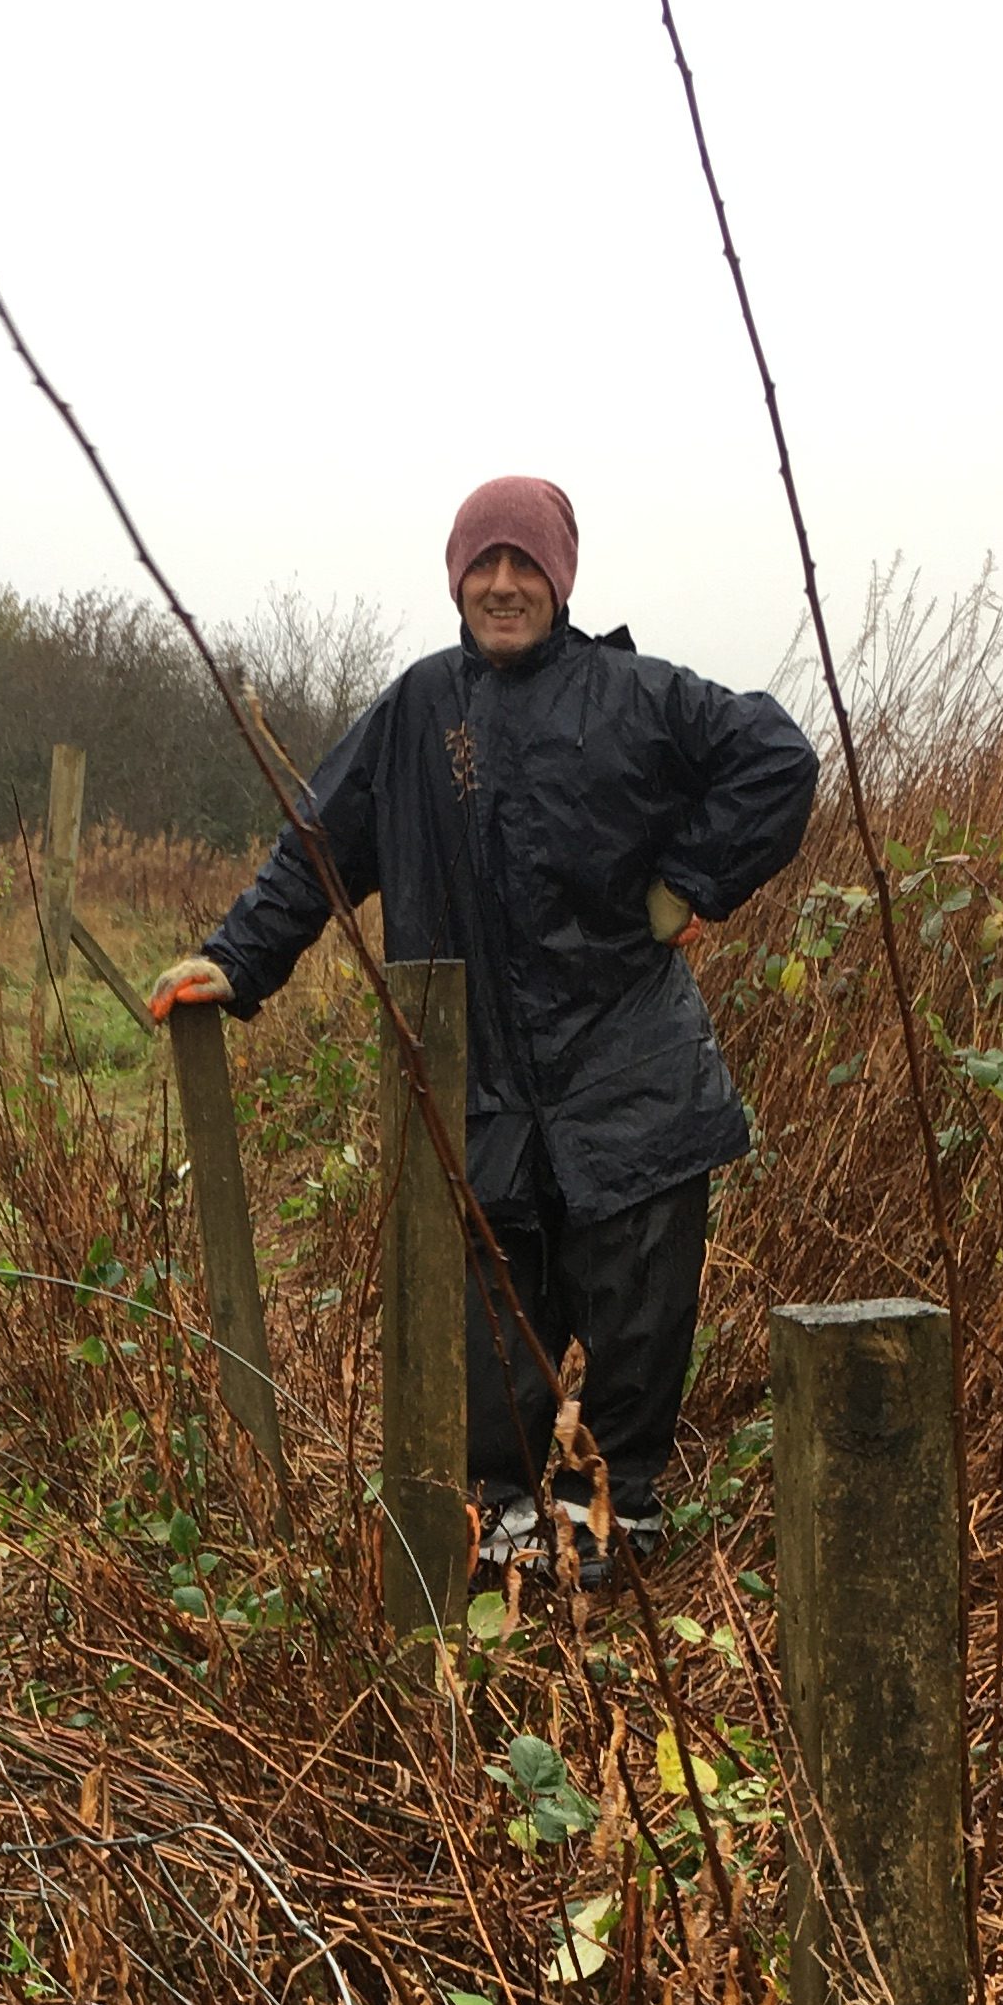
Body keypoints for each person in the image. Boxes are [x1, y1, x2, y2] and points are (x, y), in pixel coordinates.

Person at [152, 475, 819, 1575]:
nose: (503, 585)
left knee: (635, 1307)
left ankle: (618, 1513)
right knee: (490, 1308)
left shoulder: (638, 695)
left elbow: (779, 758)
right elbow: (321, 847)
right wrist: (236, 959)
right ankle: (509, 1511)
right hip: (475, 1072)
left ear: (559, 579)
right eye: (483, 565)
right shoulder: (418, 711)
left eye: (525, 565)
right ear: (458, 578)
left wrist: (690, 882)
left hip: (632, 1070)